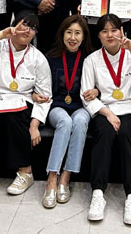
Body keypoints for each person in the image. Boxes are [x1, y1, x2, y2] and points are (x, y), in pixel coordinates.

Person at [0, 11, 52, 196]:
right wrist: (2, 34)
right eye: (24, 24)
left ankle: (25, 172)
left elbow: (45, 96)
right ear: (13, 25)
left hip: (22, 99)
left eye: (33, 28)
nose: (27, 30)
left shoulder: (38, 58)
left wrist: (35, 125)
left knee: (16, 119)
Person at [81, 14, 131, 225]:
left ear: (122, 31)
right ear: (99, 36)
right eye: (104, 31)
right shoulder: (91, 60)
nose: (110, 35)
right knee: (103, 134)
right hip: (106, 109)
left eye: (114, 30)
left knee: (128, 133)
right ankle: (98, 193)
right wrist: (108, 113)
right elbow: (86, 96)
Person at [40, 15, 95, 208]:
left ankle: (66, 176)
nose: (73, 37)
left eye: (77, 33)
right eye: (69, 32)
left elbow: (101, 82)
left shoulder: (90, 59)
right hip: (56, 106)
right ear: (62, 34)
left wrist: (97, 91)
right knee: (65, 122)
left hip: (81, 107)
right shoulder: (50, 58)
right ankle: (51, 177)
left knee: (79, 121)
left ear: (84, 36)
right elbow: (41, 85)